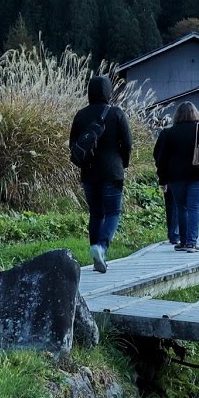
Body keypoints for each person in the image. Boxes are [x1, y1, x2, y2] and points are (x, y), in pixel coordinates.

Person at [69, 75, 132, 274]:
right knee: (113, 212)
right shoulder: (117, 113)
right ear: (108, 91)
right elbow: (127, 143)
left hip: (88, 172)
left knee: (96, 213)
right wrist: (124, 162)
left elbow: (73, 145)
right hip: (112, 171)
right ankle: (101, 247)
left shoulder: (80, 115)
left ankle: (96, 251)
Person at [153, 101, 199, 252]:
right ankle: (191, 243)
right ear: (195, 114)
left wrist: (162, 179)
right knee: (194, 208)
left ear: (177, 115)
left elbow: (160, 158)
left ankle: (183, 240)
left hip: (175, 177)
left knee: (181, 208)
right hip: (198, 174)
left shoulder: (168, 132)